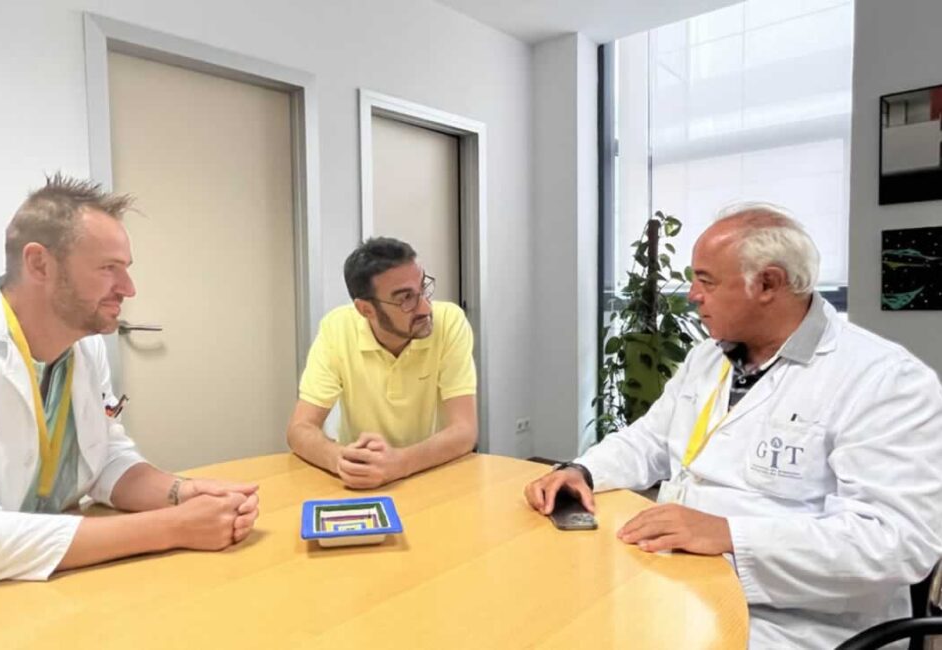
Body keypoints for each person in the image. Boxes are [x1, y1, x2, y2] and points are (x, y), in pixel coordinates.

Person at [524, 203, 942, 648]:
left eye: (706, 281)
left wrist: (730, 535)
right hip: (682, 581)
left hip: (795, 624)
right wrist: (582, 471)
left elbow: (896, 543)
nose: (691, 295)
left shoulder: (884, 379)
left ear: (768, 284)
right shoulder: (709, 357)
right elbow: (649, 439)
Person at [0, 174, 260, 650]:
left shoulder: (83, 346)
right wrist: (174, 527)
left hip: (35, 591)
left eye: (126, 269)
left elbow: (106, 459)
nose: (129, 288)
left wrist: (181, 492)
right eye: (109, 269)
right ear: (39, 263)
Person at [287, 237, 477, 489]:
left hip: (433, 473)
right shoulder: (337, 328)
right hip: (362, 482)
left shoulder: (449, 322)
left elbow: (465, 430)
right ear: (366, 310)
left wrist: (400, 463)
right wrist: (341, 459)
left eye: (423, 288)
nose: (425, 308)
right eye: (405, 299)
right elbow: (300, 428)